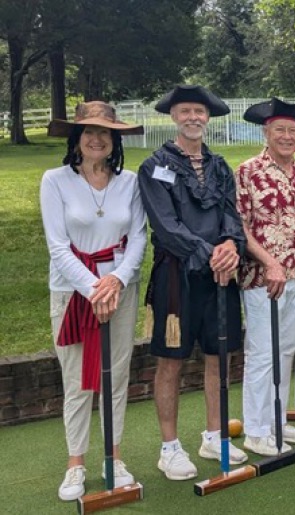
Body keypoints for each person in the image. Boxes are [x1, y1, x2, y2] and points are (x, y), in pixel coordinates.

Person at [138, 85, 248, 479]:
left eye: (199, 112)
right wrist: (211, 253)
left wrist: (232, 248)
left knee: (220, 357)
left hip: (220, 276)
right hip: (176, 276)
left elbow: (233, 217)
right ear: (173, 116)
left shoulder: (220, 167)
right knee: (171, 362)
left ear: (208, 117)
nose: (193, 118)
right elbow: (167, 227)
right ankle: (169, 448)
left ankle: (215, 434)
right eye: (185, 111)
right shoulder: (154, 167)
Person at [42, 102, 146, 501]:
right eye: (89, 131)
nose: (97, 138)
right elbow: (57, 246)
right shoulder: (55, 181)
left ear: (115, 139)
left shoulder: (130, 182)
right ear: (77, 138)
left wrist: (115, 280)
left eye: (106, 132)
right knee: (76, 381)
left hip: (120, 289)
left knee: (115, 376)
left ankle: (113, 457)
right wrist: (93, 288)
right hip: (73, 292)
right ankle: (76, 462)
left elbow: (138, 237)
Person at [234, 98, 295, 457]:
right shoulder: (248, 171)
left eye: (292, 132)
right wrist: (269, 262)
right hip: (262, 277)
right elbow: (240, 225)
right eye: (279, 130)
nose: (286, 137)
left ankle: (277, 420)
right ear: (266, 133)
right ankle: (255, 429)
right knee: (262, 352)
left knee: (286, 350)